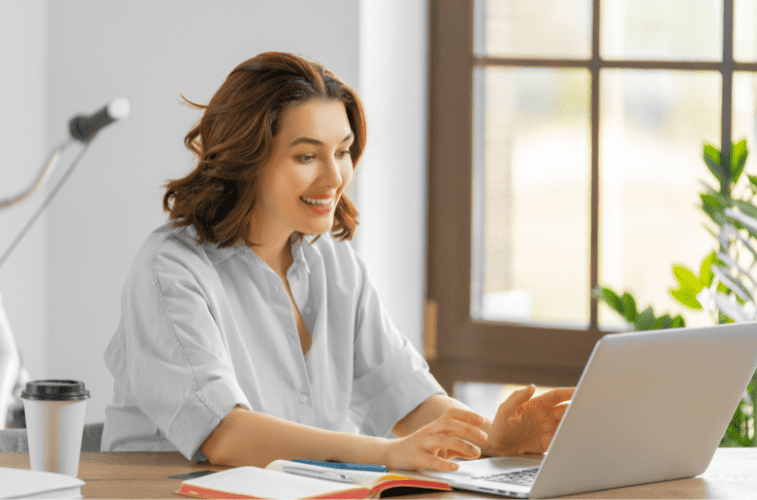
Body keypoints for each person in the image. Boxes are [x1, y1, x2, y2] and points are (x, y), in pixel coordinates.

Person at [100, 51, 574, 472]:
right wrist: (389, 453)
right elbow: (224, 435)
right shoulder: (169, 271)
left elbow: (407, 396)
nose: (334, 177)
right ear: (246, 159)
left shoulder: (335, 264)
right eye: (307, 156)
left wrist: (491, 438)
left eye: (343, 152)